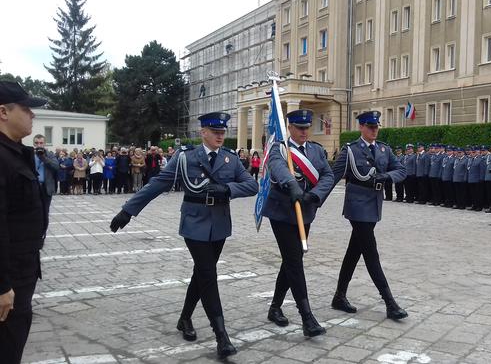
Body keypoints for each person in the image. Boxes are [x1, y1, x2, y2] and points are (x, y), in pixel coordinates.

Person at [109, 112, 258, 359]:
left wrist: (227, 189)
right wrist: (128, 210)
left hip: (219, 224)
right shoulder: (185, 157)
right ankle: (221, 335)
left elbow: (252, 186)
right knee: (209, 274)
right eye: (216, 132)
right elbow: (157, 184)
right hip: (194, 223)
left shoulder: (230, 159)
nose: (221, 136)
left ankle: (185, 318)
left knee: (201, 274)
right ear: (203, 133)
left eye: (223, 132)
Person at [261, 109, 334, 337]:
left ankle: (275, 307)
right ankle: (307, 317)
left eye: (306, 127)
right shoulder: (279, 148)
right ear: (290, 127)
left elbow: (328, 176)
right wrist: (291, 184)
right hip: (282, 212)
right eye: (299, 127)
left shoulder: (315, 150)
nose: (304, 131)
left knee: (292, 259)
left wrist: (315, 195)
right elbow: (278, 167)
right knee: (294, 260)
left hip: (306, 212)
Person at [331, 110, 409, 320]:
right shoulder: (350, 150)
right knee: (371, 254)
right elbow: (333, 177)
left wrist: (385, 176)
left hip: (374, 207)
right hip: (357, 208)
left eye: (376, 127)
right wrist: (313, 200)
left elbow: (401, 170)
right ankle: (390, 303)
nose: (374, 130)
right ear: (361, 127)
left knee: (353, 252)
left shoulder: (384, 149)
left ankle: (339, 296)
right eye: (370, 127)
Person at [0, 80, 49, 364]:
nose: (32, 115)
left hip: (23, 268)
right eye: (27, 109)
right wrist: (2, 284)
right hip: (10, 277)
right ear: (4, 113)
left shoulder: (16, 152)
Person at [32, 134, 59, 217]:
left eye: (41, 143)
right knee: (33, 211)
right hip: (33, 186)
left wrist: (43, 158)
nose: (39, 145)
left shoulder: (50, 155)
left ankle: (43, 229)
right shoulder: (30, 154)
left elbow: (56, 166)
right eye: (36, 143)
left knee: (45, 211)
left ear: (44, 144)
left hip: (46, 187)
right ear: (34, 144)